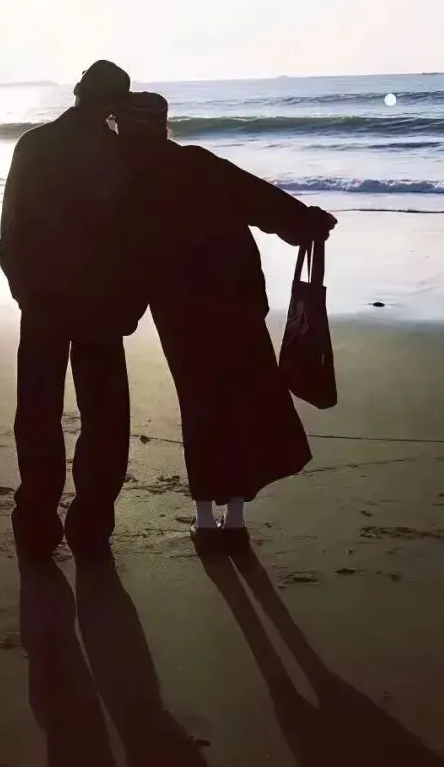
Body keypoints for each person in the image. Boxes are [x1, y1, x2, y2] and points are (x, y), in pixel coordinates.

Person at [114, 91, 336, 546]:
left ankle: (203, 517)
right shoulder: (198, 163)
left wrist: (122, 311)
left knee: (200, 404)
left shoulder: (125, 180)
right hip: (237, 299)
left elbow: (123, 254)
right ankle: (234, 518)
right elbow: (262, 201)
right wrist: (308, 222)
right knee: (244, 400)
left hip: (179, 312)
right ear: (164, 126)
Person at [0, 60, 138, 560]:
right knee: (104, 417)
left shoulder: (33, 144)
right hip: (100, 300)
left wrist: (23, 288)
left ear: (78, 91)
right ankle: (91, 524)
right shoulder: (118, 152)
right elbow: (133, 238)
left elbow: (11, 227)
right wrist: (129, 303)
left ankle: (36, 522)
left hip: (44, 297)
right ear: (116, 103)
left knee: (38, 412)